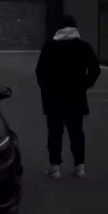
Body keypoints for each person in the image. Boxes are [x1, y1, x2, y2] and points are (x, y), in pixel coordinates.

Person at [36, 14, 100, 178]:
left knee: (54, 133)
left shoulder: (50, 46)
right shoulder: (83, 46)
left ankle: (55, 167)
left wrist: (47, 88)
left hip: (54, 97)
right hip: (76, 96)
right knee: (76, 132)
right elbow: (94, 69)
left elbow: (40, 71)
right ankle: (80, 166)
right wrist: (84, 85)